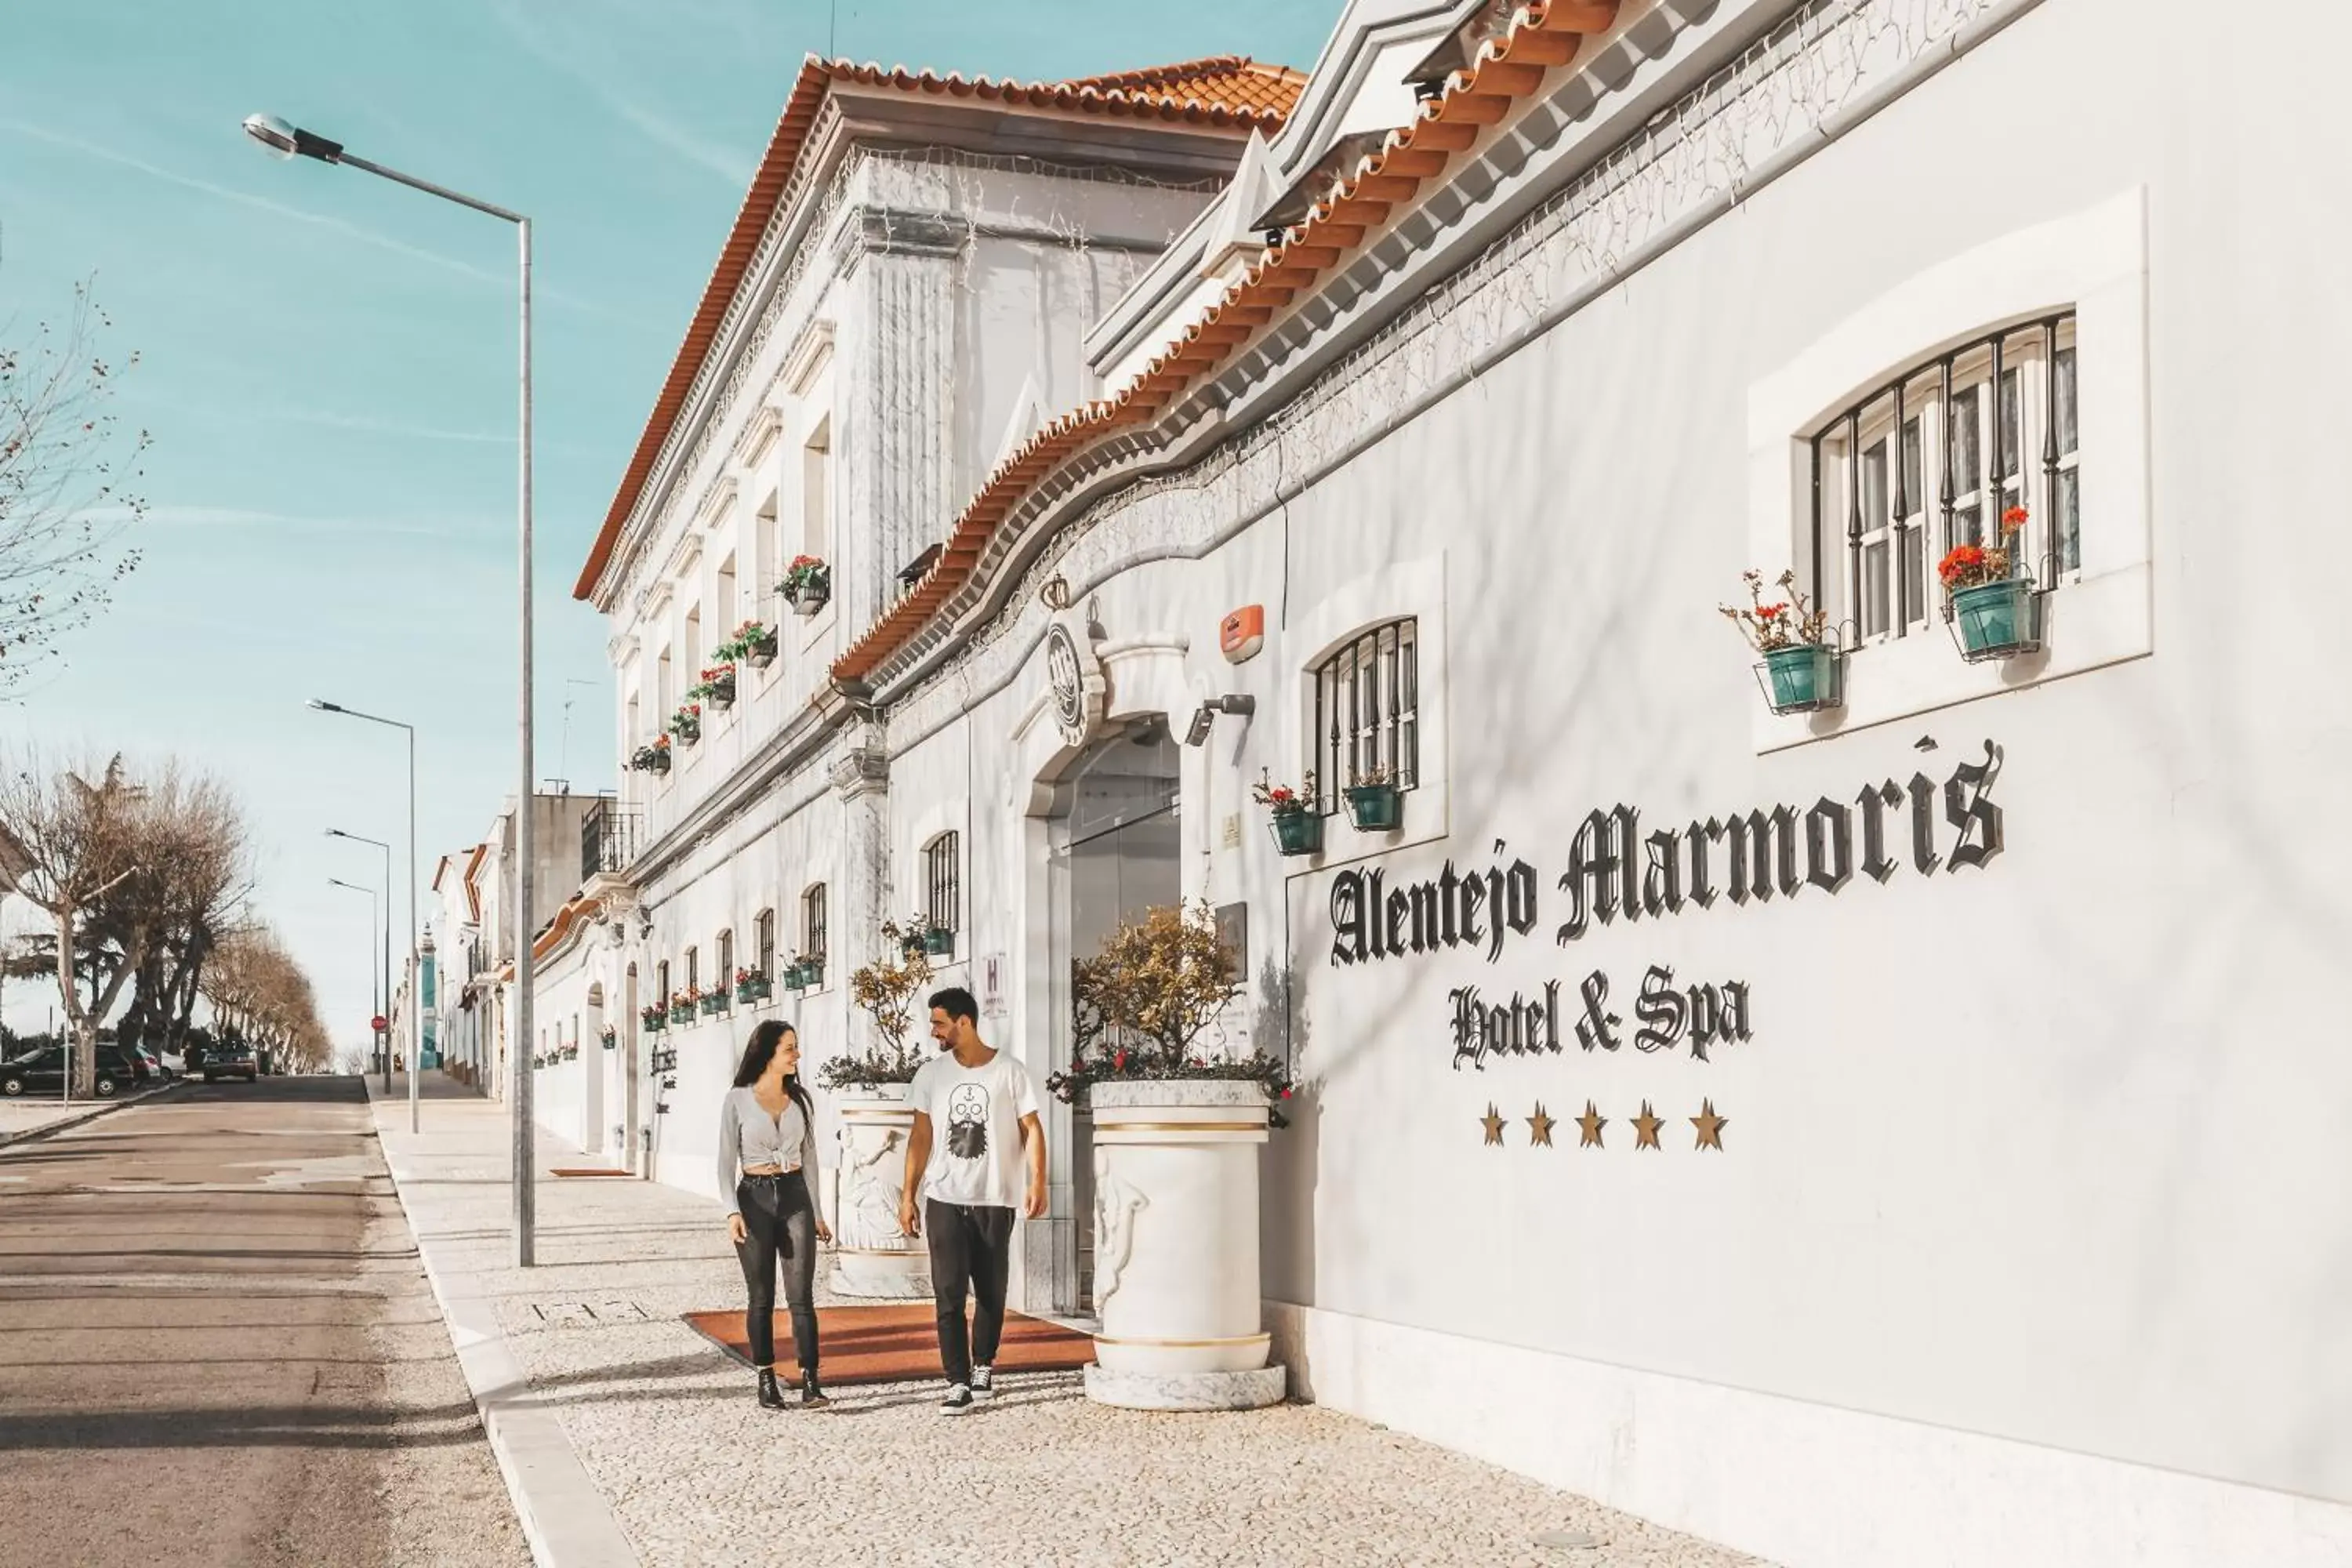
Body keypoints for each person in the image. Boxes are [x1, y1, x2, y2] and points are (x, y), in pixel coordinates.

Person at [898, 985, 1047, 1414]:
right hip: (944, 1196)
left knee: (991, 1290)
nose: (934, 1032)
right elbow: (920, 1137)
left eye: (940, 1023)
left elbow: (1032, 1128)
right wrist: (908, 1195)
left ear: (965, 1022)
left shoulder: (1010, 1071)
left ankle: (984, 1364)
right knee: (947, 1293)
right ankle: (957, 1381)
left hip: (995, 1198)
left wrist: (1038, 1182)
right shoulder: (930, 1074)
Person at [718, 1020, 832, 1409]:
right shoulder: (737, 1099)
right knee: (761, 1296)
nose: (797, 1055)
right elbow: (724, 1162)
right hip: (754, 1198)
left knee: (801, 1295)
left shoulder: (800, 1099)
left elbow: (812, 1157)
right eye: (790, 1048)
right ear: (768, 1052)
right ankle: (766, 1378)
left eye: (796, 1047)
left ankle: (811, 1380)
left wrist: (818, 1212)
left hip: (795, 1194)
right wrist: (731, 1211)